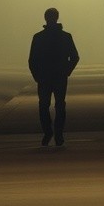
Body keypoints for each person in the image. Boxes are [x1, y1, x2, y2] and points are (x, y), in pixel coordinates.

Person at [28, 8, 79, 147]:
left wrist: (37, 75)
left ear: (45, 18)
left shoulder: (38, 37)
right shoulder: (66, 37)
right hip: (59, 77)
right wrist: (66, 71)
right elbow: (74, 57)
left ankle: (48, 132)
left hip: (44, 77)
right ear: (57, 18)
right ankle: (58, 134)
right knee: (60, 105)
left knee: (43, 105)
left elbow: (32, 60)